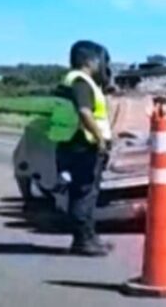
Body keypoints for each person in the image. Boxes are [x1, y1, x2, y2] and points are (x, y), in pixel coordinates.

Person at [52, 40, 114, 257]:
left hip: (71, 143)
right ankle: (82, 240)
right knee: (84, 193)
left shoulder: (71, 81)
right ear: (90, 60)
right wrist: (100, 139)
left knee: (85, 192)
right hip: (83, 144)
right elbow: (85, 113)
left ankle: (89, 236)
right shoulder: (81, 82)